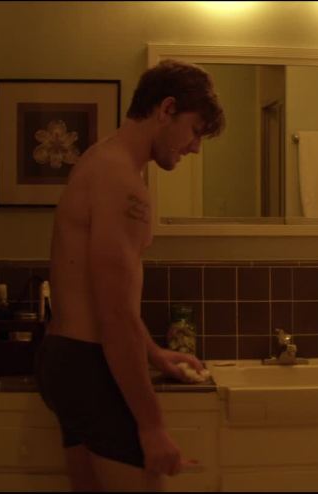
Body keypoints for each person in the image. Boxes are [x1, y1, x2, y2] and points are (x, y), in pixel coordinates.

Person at [35, 60, 224, 491]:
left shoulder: (100, 160)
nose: (195, 148)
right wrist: (153, 426)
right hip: (90, 366)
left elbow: (99, 296)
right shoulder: (123, 182)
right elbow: (115, 314)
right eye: (195, 131)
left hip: (64, 359)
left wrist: (155, 354)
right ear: (167, 109)